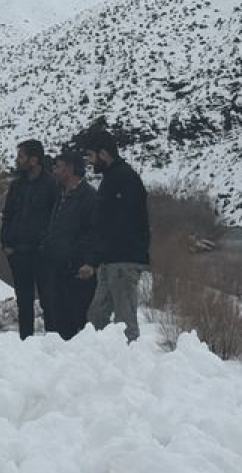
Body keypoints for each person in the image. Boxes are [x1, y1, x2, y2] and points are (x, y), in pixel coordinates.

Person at [80, 129, 151, 343]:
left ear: (103, 154)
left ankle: (129, 363)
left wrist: (95, 258)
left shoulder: (124, 178)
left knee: (124, 320)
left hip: (124, 259)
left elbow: (116, 224)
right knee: (96, 316)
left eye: (91, 156)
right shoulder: (112, 178)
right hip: (109, 260)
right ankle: (100, 358)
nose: (90, 163)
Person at [1, 139, 58, 339]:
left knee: (48, 300)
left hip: (42, 255)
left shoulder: (52, 185)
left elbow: (57, 219)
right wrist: (6, 243)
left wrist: (48, 245)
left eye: (21, 156)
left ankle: (52, 342)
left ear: (34, 160)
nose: (17, 160)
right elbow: (7, 215)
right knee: (24, 302)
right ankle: (25, 342)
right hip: (18, 253)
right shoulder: (17, 186)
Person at [42, 151, 98, 340]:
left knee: (78, 322)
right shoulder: (60, 196)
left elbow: (94, 232)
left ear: (70, 169)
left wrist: (89, 261)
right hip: (57, 267)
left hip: (78, 270)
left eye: (58, 167)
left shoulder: (89, 197)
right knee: (59, 321)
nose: (54, 171)